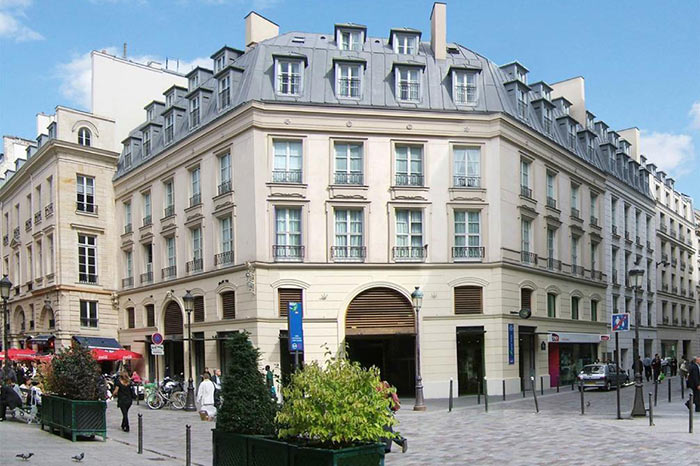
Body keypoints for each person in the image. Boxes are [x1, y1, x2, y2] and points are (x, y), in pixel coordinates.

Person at [378, 381, 407, 454]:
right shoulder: (383, 384)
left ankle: (400, 441)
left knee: (385, 429)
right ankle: (401, 441)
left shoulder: (381, 385)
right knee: (385, 429)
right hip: (384, 410)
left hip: (383, 410)